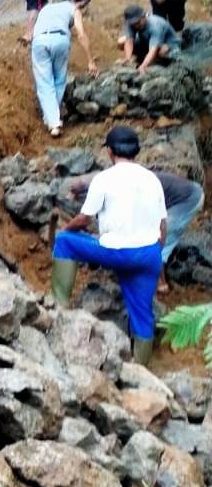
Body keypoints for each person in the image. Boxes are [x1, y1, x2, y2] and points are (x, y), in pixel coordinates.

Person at [51, 126, 166, 364]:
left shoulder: (104, 179)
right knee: (143, 315)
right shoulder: (152, 179)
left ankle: (57, 307)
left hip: (116, 252)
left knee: (65, 242)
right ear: (136, 151)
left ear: (110, 152)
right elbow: (162, 226)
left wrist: (65, 229)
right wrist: (156, 255)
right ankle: (141, 371)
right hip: (149, 254)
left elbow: (85, 219)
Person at [70, 169, 204, 292]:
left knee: (158, 240)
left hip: (186, 200)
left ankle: (161, 284)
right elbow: (80, 184)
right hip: (177, 195)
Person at [30, 0, 97, 137]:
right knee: (59, 80)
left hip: (40, 41)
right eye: (84, 7)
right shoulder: (75, 9)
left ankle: (50, 118)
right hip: (60, 40)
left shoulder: (47, 7)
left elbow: (33, 25)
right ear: (81, 3)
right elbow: (81, 34)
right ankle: (54, 122)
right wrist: (90, 61)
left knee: (44, 82)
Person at [118, 4, 181, 74]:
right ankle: (143, 58)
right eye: (133, 24)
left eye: (138, 22)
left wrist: (143, 66)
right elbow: (129, 41)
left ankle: (155, 62)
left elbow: (153, 49)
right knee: (121, 42)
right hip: (147, 42)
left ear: (144, 16)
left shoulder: (155, 25)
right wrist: (128, 58)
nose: (136, 26)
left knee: (162, 51)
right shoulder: (131, 24)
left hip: (169, 44)